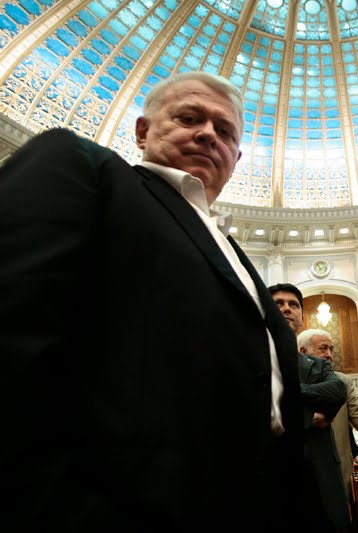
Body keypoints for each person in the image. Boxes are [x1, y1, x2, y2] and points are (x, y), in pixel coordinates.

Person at [0, 72, 302, 531]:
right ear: (143, 132)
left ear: (236, 157)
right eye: (189, 118)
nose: (208, 134)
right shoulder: (86, 169)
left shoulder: (233, 251)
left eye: (225, 131)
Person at [269, 283, 349, 532]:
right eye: (278, 304)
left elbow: (338, 391)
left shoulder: (318, 365)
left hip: (321, 473)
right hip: (274, 473)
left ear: (302, 317)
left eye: (293, 305)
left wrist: (286, 392)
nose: (287, 309)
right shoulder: (253, 359)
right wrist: (305, 416)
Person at [297, 328, 358, 502]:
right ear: (303, 351)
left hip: (337, 477)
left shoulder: (342, 382)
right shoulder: (287, 382)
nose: (329, 355)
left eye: (331, 349)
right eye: (323, 348)